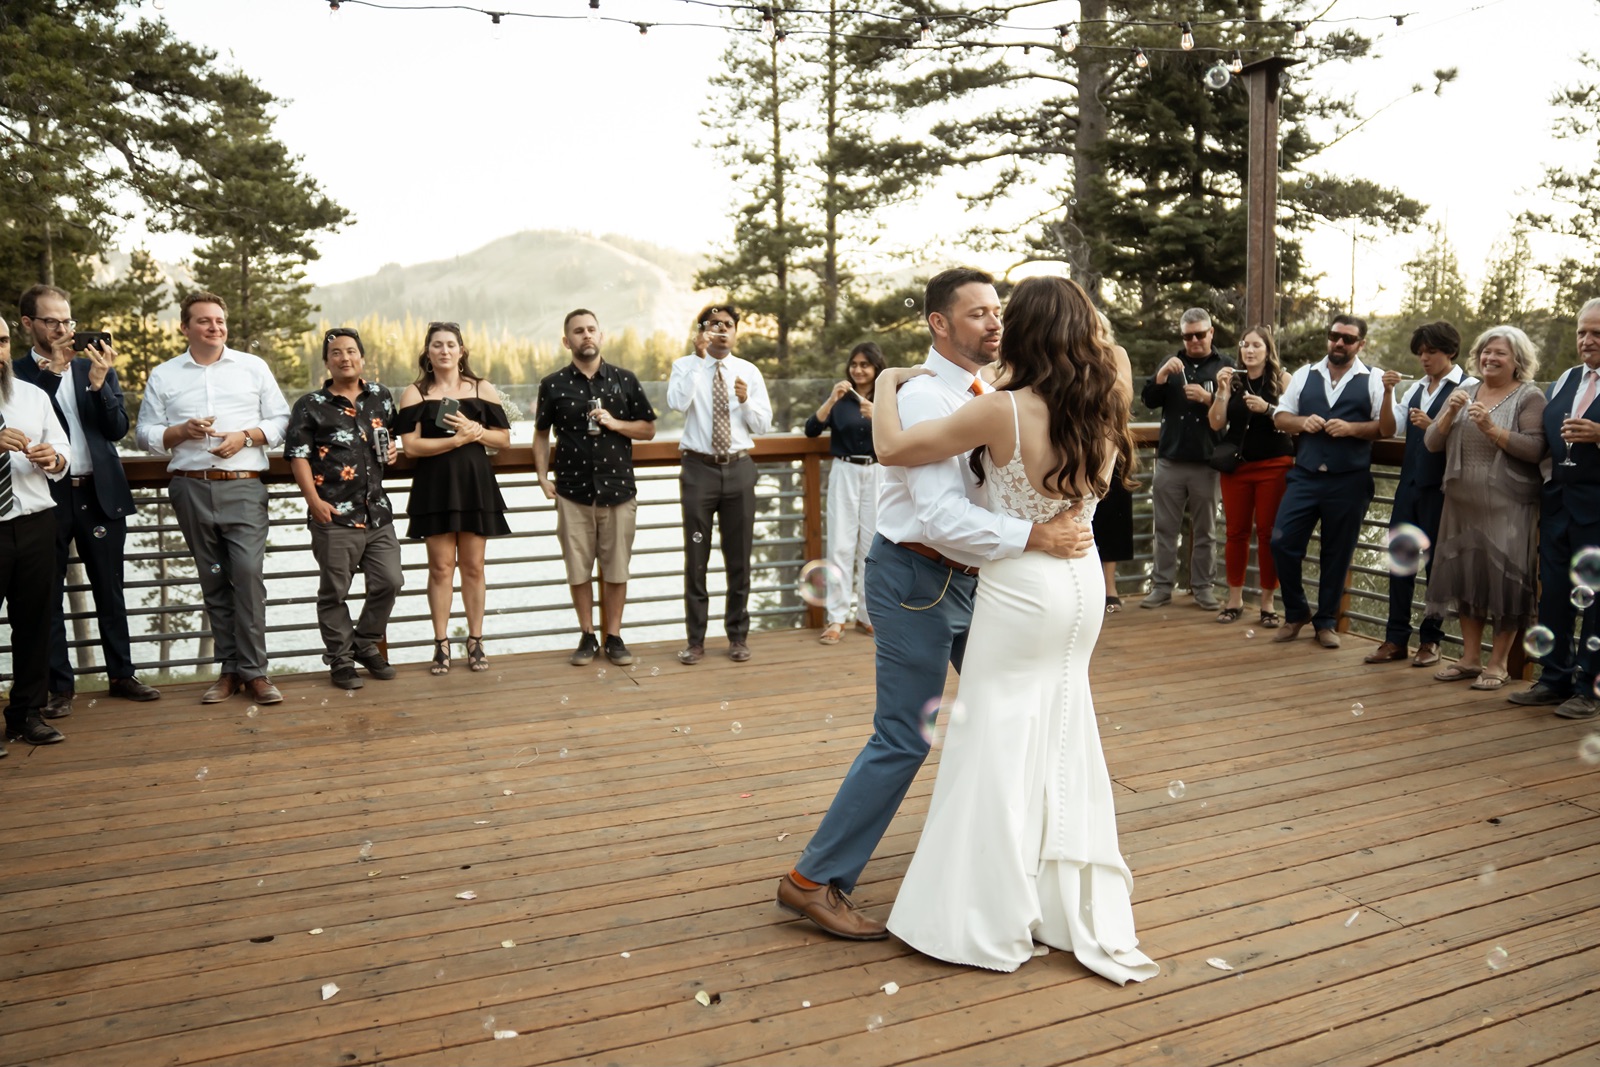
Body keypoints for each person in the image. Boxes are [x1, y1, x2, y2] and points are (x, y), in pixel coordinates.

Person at [775, 267, 1096, 945]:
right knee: (905, 735)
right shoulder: (923, 399)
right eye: (977, 314)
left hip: (980, 583)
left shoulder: (988, 392)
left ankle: (1005, 870)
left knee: (1004, 713)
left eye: (998, 311)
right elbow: (941, 515)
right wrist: (1036, 533)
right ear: (939, 325)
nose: (994, 323)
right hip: (917, 580)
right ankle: (812, 880)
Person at [864, 275, 1156, 982]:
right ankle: (1057, 896)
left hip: (1023, 588)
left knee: (993, 734)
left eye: (1006, 318)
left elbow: (893, 449)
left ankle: (982, 908)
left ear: (1022, 331)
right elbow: (1107, 350)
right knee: (1061, 726)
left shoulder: (1002, 411)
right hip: (1082, 582)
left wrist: (886, 382)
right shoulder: (1109, 390)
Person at [135, 292, 290, 705]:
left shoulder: (252, 367)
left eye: (219, 320)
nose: (215, 327)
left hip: (243, 485)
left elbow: (281, 420)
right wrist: (181, 432)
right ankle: (230, 670)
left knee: (247, 576)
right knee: (214, 579)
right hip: (190, 488)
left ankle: (256, 672)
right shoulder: (164, 375)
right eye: (204, 321)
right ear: (185, 328)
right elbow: (145, 435)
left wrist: (247, 436)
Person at [14, 284, 159, 715]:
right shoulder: (17, 374)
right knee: (47, 596)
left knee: (110, 590)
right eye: (52, 322)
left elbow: (116, 429)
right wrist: (54, 371)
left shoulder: (94, 366)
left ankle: (121, 674)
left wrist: (99, 385)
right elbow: (25, 414)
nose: (63, 330)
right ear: (29, 325)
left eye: (68, 321)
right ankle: (59, 687)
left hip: (99, 491)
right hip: (45, 495)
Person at [1420, 326, 1545, 690]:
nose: (1490, 358)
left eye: (1500, 353)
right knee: (1467, 579)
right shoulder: (1464, 391)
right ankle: (1470, 658)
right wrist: (1446, 415)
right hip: (1461, 501)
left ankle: (1499, 662)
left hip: (1508, 503)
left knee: (1505, 582)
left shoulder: (1529, 397)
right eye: (1487, 351)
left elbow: (1536, 449)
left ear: (1518, 360)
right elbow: (1430, 443)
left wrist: (1493, 430)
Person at [534, 309, 657, 667]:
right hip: (572, 492)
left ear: (601, 336)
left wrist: (616, 423)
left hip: (619, 491)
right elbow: (541, 434)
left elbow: (648, 429)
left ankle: (614, 636)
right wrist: (542, 477)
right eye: (578, 331)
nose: (585, 335)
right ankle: (587, 634)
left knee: (617, 568)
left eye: (591, 330)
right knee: (578, 569)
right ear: (566, 341)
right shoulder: (552, 384)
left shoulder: (625, 379)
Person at [284, 328, 403, 690]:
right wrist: (313, 502)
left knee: (390, 581)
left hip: (377, 512)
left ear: (362, 357)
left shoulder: (381, 396)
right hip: (333, 514)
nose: (345, 357)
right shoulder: (310, 405)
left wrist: (395, 450)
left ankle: (365, 643)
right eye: (336, 353)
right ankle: (340, 660)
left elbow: (391, 437)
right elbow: (298, 456)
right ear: (327, 361)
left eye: (351, 351)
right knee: (334, 592)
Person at [1270, 315, 1397, 649]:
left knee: (1337, 553)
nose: (1339, 343)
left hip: (1349, 480)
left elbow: (1386, 428)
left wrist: (1353, 428)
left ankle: (1326, 622)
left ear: (1361, 344)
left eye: (1348, 339)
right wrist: (1301, 421)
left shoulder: (1373, 379)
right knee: (1281, 543)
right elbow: (1280, 417)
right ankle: (1296, 612)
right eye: (1334, 336)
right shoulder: (1304, 374)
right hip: (1306, 477)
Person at [395, 322, 512, 675]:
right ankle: (441, 643)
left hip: (475, 485)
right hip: (435, 487)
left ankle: (475, 640)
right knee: (440, 568)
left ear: (461, 351)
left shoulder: (481, 388)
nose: (444, 350)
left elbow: (504, 439)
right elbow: (411, 447)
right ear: (427, 353)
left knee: (474, 566)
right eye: (437, 345)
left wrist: (480, 432)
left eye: (450, 344)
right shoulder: (414, 393)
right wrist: (458, 440)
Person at [667, 304, 772, 665]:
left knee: (739, 557)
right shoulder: (685, 366)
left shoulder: (748, 371)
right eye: (714, 325)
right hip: (698, 470)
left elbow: (763, 425)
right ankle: (695, 641)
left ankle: (737, 637)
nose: (722, 330)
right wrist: (698, 360)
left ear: (736, 332)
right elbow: (677, 404)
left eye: (728, 325)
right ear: (703, 331)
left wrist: (745, 402)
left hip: (739, 469)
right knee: (696, 558)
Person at [1510, 299, 1600, 718]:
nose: (1587, 340)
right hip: (1559, 504)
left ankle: (1590, 689)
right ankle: (1553, 679)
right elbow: (1544, 440)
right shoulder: (1566, 379)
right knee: (1555, 598)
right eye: (1583, 331)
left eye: (1597, 333)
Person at [1365, 321, 1474, 667]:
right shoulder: (1414, 390)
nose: (1424, 359)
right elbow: (1386, 429)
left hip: (1443, 491)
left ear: (1450, 352)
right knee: (1400, 564)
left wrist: (1435, 426)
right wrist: (1386, 394)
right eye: (1421, 353)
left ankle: (1431, 641)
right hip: (1408, 488)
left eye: (1431, 352)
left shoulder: (1469, 387)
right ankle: (1395, 639)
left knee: (1438, 569)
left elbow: (1473, 441)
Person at [0, 326, 70, 751]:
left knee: (36, 625)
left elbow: (63, 452)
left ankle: (26, 715)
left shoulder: (32, 396)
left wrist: (54, 458)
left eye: (3, 342)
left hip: (34, 522)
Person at [1140, 309, 1231, 611]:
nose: (1194, 340)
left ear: (1211, 333)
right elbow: (1149, 400)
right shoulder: (1172, 363)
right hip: (1169, 460)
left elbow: (1238, 412)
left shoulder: (1225, 366)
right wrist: (1162, 376)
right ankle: (1161, 587)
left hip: (1207, 462)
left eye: (1199, 334)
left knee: (1205, 531)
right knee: (1164, 528)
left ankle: (1203, 588)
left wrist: (1209, 399)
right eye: (1188, 335)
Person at [1207, 325, 1294, 627]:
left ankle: (1268, 604)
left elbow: (1294, 420)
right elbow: (1217, 422)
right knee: (1235, 532)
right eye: (1245, 345)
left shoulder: (1283, 379)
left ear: (1268, 350)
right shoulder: (1232, 379)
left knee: (1269, 534)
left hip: (1274, 465)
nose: (1250, 350)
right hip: (1238, 468)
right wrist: (1220, 393)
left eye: (1256, 345)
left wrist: (1268, 408)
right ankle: (1234, 600)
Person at [805, 342, 886, 644]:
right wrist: (831, 399)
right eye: (854, 364)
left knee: (872, 547)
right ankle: (837, 618)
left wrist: (878, 414)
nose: (858, 370)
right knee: (840, 544)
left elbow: (903, 432)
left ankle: (867, 616)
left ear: (877, 367)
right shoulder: (841, 399)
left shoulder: (888, 399)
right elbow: (811, 429)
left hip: (878, 473)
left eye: (865, 364)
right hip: (845, 472)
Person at [1093, 316, 1135, 613]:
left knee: (1112, 517)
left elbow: (1124, 397)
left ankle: (1110, 588)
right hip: (1076, 445)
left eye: (1096, 327)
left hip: (1111, 445)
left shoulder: (1115, 354)